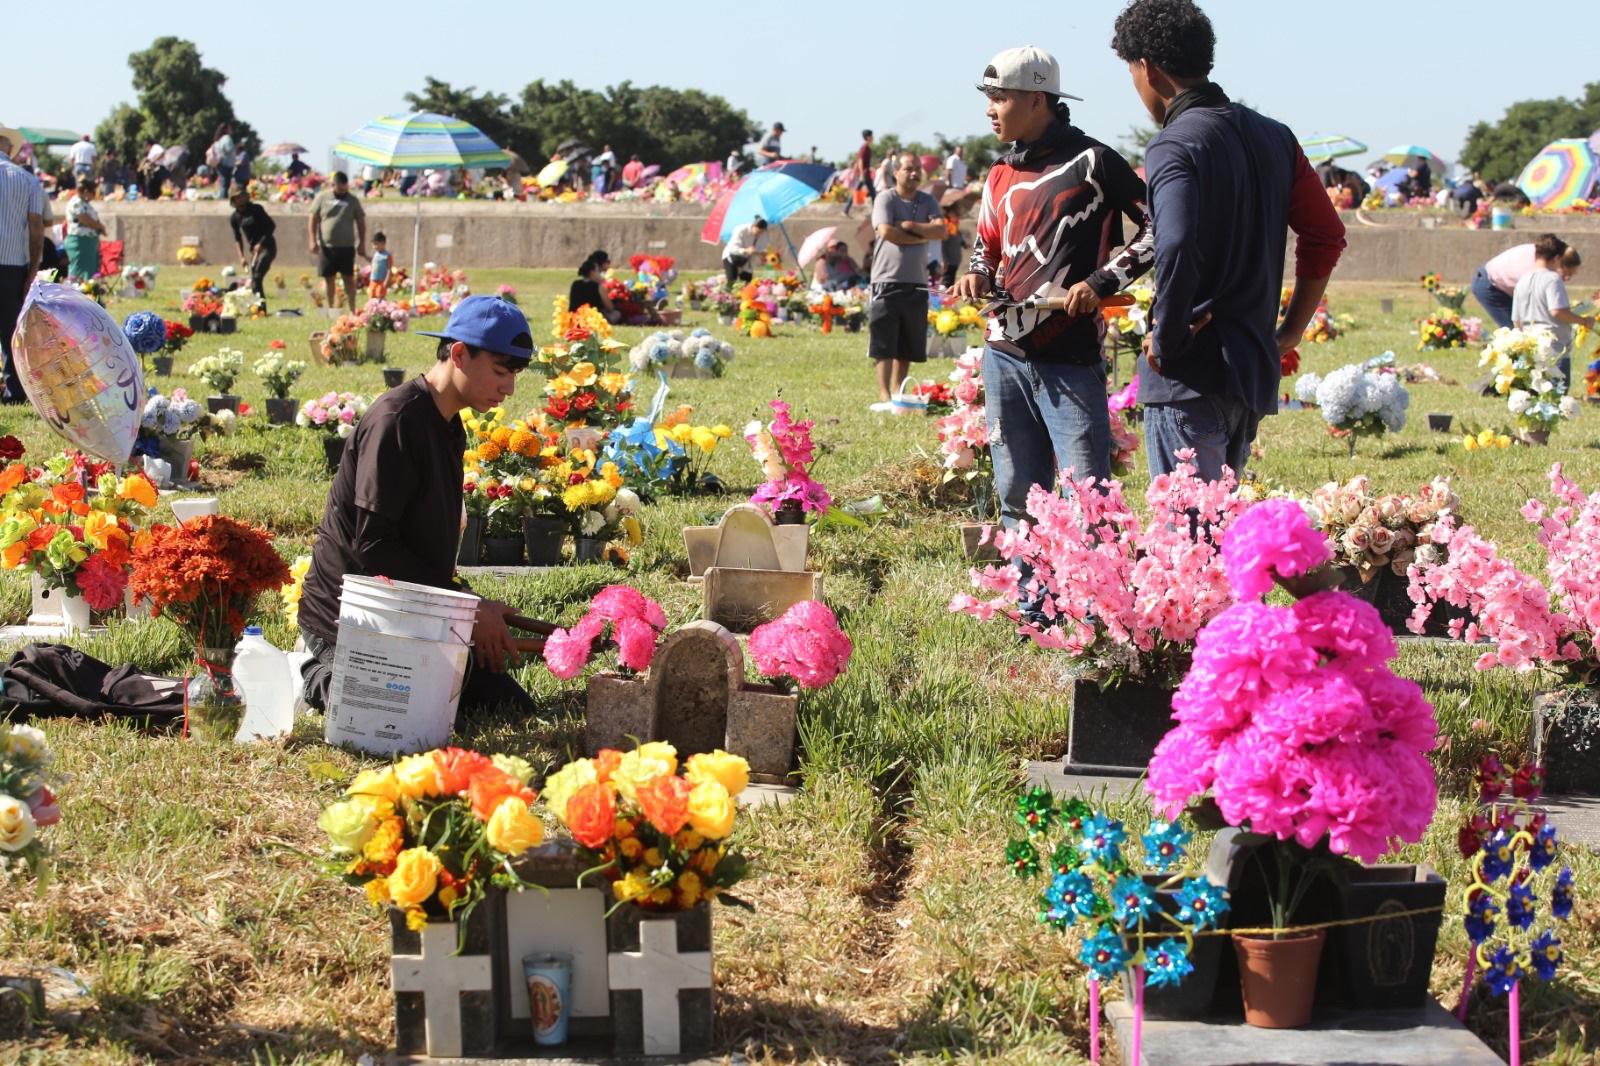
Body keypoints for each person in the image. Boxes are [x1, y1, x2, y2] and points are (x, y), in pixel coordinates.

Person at [1111, 0, 1346, 481]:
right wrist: (1292, 329)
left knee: (1188, 542)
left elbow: (1173, 242)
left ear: (1147, 69)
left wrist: (1168, 332)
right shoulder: (1275, 136)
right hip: (1249, 376)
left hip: (1189, 377)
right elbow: (1325, 235)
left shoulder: (1174, 143)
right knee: (1220, 539)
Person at [296, 296, 537, 719]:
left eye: (514, 375)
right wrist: (467, 608)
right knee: (392, 715)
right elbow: (373, 547)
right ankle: (317, 674)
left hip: (413, 612)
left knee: (511, 707)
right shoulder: (396, 420)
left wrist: (470, 607)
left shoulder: (448, 422)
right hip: (350, 620)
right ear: (459, 353)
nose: (509, 388)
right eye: (500, 372)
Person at [950, 45, 1154, 505]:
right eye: (989, 97)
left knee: (1088, 498)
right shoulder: (999, 170)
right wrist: (977, 276)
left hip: (1072, 356)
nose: (989, 110)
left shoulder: (1095, 162)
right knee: (1017, 496)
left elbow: (1157, 228)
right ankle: (1026, 581)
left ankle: (1091, 580)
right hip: (1002, 355)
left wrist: (1100, 283)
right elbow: (986, 247)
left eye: (1000, 98)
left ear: (1037, 100)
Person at [867, 152, 945, 411]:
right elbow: (886, 231)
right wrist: (921, 234)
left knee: (907, 342)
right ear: (895, 172)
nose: (914, 173)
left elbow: (941, 230)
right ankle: (883, 393)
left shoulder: (928, 200)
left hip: (916, 281)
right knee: (884, 341)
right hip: (886, 280)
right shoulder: (886, 198)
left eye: (917, 169)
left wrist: (911, 225)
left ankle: (899, 391)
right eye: (908, 169)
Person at [0, 122, 43, 405]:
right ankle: (14, 390)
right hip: (12, 265)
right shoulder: (28, 180)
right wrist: (33, 269)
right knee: (10, 329)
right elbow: (37, 230)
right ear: (10, 149)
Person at [1513, 238, 1592, 388]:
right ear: (1557, 258)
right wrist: (1583, 320)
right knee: (1556, 398)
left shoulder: (1522, 280)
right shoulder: (1552, 279)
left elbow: (1516, 320)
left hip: (1531, 350)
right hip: (1555, 350)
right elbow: (1557, 311)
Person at [309, 171, 367, 314]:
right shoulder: (322, 198)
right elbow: (313, 218)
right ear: (333, 185)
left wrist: (362, 242)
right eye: (339, 188)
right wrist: (312, 240)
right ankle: (330, 308)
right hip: (327, 247)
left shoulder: (352, 200)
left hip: (346, 247)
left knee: (348, 278)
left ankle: (353, 309)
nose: (342, 191)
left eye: (344, 188)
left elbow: (360, 221)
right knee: (329, 279)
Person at [1473, 238, 1547, 330]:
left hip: (1495, 281)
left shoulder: (1538, 254)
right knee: (1515, 333)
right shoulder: (1534, 267)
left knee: (1523, 331)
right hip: (1490, 285)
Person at [229, 187, 276, 304]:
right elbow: (237, 238)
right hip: (254, 251)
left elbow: (271, 226)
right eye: (238, 197)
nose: (241, 199)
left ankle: (261, 308)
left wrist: (261, 243)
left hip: (268, 247)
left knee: (257, 277)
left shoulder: (256, 209)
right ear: (233, 200)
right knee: (255, 279)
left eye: (243, 196)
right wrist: (242, 257)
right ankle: (257, 306)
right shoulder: (234, 217)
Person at [64, 179, 106, 281]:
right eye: (93, 193)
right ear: (86, 191)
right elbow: (84, 219)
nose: (94, 196)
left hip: (89, 241)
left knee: (90, 270)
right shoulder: (76, 203)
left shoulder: (85, 204)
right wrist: (99, 226)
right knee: (79, 269)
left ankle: (90, 292)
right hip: (80, 240)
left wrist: (100, 227)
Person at [569, 255, 620, 322]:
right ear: (592, 272)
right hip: (592, 318)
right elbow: (610, 307)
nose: (600, 274)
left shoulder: (575, 284)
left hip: (574, 317)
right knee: (616, 314)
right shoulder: (598, 287)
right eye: (598, 272)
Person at [722, 217, 770, 285]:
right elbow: (732, 249)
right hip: (732, 257)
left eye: (762, 232)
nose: (759, 234)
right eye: (758, 231)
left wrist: (762, 255)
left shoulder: (763, 235)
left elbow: (761, 249)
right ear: (753, 226)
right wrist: (745, 250)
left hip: (746, 261)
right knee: (732, 283)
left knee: (747, 284)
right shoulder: (741, 230)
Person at [845, 130, 875, 218]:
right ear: (868, 137)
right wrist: (861, 174)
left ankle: (846, 209)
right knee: (872, 194)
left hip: (865, 173)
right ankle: (846, 209)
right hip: (864, 174)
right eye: (872, 136)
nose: (873, 138)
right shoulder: (864, 147)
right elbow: (860, 160)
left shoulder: (867, 148)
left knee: (869, 193)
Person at [209, 123, 236, 200]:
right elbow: (228, 149)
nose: (231, 129)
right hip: (226, 163)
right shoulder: (227, 138)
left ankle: (222, 198)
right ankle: (223, 200)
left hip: (220, 163)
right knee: (225, 184)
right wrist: (235, 147)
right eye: (229, 128)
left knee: (224, 183)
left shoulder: (219, 139)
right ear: (226, 129)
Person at [368, 232, 392, 299]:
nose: (374, 247)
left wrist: (386, 281)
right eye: (373, 244)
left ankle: (381, 308)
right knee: (371, 295)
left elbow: (389, 269)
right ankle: (372, 308)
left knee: (380, 296)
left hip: (381, 281)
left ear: (383, 243)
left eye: (376, 244)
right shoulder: (376, 254)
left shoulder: (387, 255)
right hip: (373, 280)